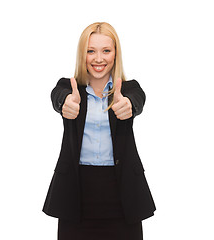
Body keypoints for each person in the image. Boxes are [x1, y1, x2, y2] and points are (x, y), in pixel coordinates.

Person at [42, 22, 156, 240]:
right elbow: (58, 96)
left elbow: (137, 99)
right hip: (76, 198)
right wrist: (64, 103)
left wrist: (129, 106)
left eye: (106, 50)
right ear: (82, 54)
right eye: (90, 51)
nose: (98, 59)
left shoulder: (129, 89)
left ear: (115, 54)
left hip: (122, 197)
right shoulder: (68, 88)